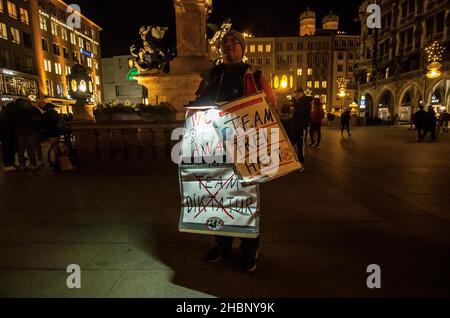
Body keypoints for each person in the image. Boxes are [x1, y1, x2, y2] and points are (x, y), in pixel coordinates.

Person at [195, 30, 276, 272]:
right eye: (224, 42)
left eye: (234, 42)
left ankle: (250, 249)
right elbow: (198, 104)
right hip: (216, 147)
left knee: (246, 201)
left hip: (246, 148)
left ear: (243, 48)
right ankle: (222, 243)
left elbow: (269, 106)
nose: (229, 45)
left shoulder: (255, 75)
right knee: (219, 199)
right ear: (220, 50)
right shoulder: (209, 77)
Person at [11, 98, 38, 170]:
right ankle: (32, 165)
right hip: (29, 132)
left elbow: (12, 123)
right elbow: (33, 120)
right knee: (31, 149)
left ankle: (22, 165)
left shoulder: (14, 112)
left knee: (21, 150)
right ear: (23, 103)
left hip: (19, 133)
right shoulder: (28, 110)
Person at [291, 87, 311, 171]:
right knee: (292, 142)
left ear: (300, 93)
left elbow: (301, 113)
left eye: (296, 93)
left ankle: (301, 164)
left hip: (302, 126)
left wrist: (294, 109)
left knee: (301, 145)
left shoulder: (305, 102)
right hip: (296, 126)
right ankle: (293, 161)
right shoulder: (297, 101)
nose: (295, 95)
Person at [0, 102, 17, 171]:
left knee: (6, 149)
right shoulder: (7, 114)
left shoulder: (3, 113)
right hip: (7, 135)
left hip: (4, 135)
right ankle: (9, 164)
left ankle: (9, 164)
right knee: (8, 149)